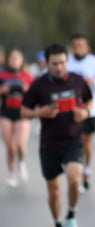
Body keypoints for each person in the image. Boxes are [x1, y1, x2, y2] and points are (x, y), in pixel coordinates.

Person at [21, 43, 93, 227]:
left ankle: (71, 215)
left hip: (73, 140)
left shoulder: (77, 81)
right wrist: (39, 112)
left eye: (62, 62)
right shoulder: (39, 85)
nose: (59, 67)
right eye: (54, 64)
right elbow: (25, 111)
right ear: (47, 63)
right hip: (49, 143)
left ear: (66, 61)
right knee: (53, 190)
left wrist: (85, 113)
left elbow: (88, 101)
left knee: (74, 179)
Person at [67, 33, 95, 192]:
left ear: (87, 47)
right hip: (71, 110)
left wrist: (94, 82)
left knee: (86, 142)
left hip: (91, 110)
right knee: (75, 142)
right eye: (75, 46)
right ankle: (76, 175)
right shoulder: (67, 62)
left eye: (81, 45)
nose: (78, 48)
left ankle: (87, 169)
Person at [0, 49, 34, 186]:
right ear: (8, 60)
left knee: (20, 144)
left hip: (22, 113)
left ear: (22, 61)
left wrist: (27, 91)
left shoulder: (28, 76)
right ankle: (11, 172)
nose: (14, 60)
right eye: (12, 58)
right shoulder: (2, 75)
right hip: (5, 112)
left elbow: (36, 96)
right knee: (9, 146)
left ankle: (21, 162)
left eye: (17, 58)